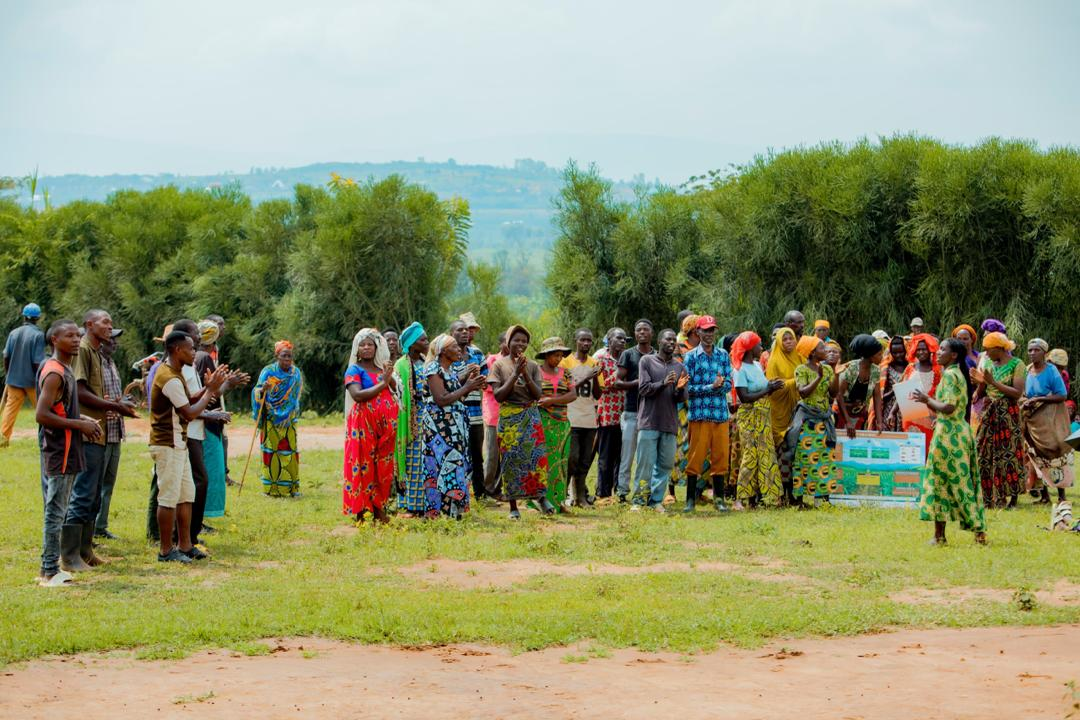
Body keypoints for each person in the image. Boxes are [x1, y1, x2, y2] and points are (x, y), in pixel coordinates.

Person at [66, 310, 138, 568]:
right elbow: (80, 391)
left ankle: (85, 551)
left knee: (94, 495)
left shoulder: (96, 352)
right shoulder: (84, 350)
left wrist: (116, 403)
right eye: (105, 322)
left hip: (100, 432)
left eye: (111, 322)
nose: (110, 326)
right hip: (87, 432)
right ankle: (70, 556)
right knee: (83, 493)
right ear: (89, 324)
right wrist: (115, 407)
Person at [150, 330, 228, 563]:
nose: (195, 352)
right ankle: (166, 550)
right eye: (191, 348)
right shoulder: (169, 378)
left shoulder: (175, 373)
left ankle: (185, 545)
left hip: (178, 442)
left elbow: (187, 400)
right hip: (167, 443)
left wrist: (207, 387)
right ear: (177, 350)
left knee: (186, 495)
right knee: (168, 497)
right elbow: (189, 413)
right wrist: (210, 391)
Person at [36, 319, 101, 585]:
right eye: (70, 336)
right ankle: (49, 569)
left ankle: (49, 567)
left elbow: (60, 409)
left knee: (58, 509)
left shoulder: (65, 369)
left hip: (66, 448)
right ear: (55, 340)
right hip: (59, 449)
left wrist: (82, 418)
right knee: (56, 510)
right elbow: (42, 414)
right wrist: (79, 425)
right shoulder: (54, 372)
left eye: (78, 335)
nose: (76, 340)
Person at [913, 338, 987, 546]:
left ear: (953, 355)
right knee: (953, 483)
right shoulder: (957, 373)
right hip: (953, 431)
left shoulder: (950, 375)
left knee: (950, 484)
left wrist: (926, 399)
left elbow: (949, 407)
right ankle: (944, 535)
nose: (938, 352)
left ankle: (954, 534)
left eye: (942, 349)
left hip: (950, 438)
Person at [489, 324, 554, 519]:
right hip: (509, 418)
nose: (520, 344)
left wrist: (525, 373)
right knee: (510, 460)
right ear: (508, 342)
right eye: (516, 340)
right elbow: (499, 395)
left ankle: (540, 497)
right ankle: (513, 506)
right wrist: (515, 373)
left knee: (537, 458)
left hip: (530, 415)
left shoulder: (532, 366)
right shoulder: (499, 365)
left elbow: (537, 395)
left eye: (524, 341)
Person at [422, 334, 484, 519]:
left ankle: (453, 510)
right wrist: (467, 387)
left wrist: (471, 385)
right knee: (442, 465)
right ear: (443, 351)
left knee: (455, 464)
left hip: (454, 427)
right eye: (455, 347)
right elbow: (441, 399)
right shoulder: (433, 368)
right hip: (439, 429)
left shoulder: (449, 371)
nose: (459, 350)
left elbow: (456, 398)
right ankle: (439, 512)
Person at [193, 320, 245, 529]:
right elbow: (211, 394)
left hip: (203, 419)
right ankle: (199, 520)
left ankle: (197, 520)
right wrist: (228, 383)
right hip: (207, 423)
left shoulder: (197, 357)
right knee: (207, 474)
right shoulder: (204, 358)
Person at [343, 329, 399, 523]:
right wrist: (383, 383)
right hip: (363, 425)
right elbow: (357, 395)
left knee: (383, 467)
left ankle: (379, 508)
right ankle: (362, 511)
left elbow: (395, 389)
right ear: (357, 348)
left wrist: (389, 376)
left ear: (377, 347)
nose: (366, 348)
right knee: (363, 464)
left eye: (370, 344)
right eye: (362, 345)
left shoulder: (382, 369)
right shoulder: (354, 370)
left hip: (385, 427)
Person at [631, 329, 687, 511]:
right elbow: (644, 389)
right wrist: (663, 383)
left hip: (669, 423)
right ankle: (639, 501)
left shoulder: (680, 367)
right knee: (645, 464)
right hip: (649, 421)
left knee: (665, 465)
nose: (671, 343)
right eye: (668, 339)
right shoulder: (647, 361)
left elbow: (681, 398)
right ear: (660, 341)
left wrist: (679, 389)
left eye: (674, 340)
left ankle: (655, 501)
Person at [682, 315, 733, 512]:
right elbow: (688, 388)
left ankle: (719, 499)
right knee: (696, 456)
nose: (709, 334)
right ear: (698, 332)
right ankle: (690, 500)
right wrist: (711, 386)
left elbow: (729, 383)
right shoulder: (691, 357)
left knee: (721, 456)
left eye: (712, 330)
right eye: (705, 330)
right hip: (700, 414)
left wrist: (720, 386)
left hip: (720, 414)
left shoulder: (723, 355)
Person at [731, 331, 784, 510]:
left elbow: (761, 388)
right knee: (750, 455)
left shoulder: (756, 365)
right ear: (749, 347)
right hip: (749, 416)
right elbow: (744, 397)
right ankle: (742, 497)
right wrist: (768, 389)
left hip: (763, 414)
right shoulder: (739, 369)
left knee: (767, 454)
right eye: (758, 345)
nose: (761, 348)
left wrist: (771, 386)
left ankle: (770, 498)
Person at [971, 331, 1025, 509]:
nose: (985, 353)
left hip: (1009, 413)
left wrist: (993, 382)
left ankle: (1013, 498)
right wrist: (978, 388)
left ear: (999, 348)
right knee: (984, 453)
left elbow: (1017, 393)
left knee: (1010, 454)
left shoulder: (1017, 364)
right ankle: (990, 496)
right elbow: (984, 387)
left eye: (988, 349)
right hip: (990, 412)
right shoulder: (987, 363)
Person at [1021, 338, 1072, 504]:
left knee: (1055, 452)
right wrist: (1026, 401)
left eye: (1036, 350)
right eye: (1030, 350)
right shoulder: (1027, 370)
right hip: (1033, 419)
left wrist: (1039, 399)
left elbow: (1062, 395)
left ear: (1044, 353)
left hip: (1051, 417)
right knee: (1037, 455)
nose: (1032, 353)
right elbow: (1023, 392)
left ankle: (1062, 495)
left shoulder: (1051, 371)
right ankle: (1045, 495)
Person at [789, 338, 839, 505]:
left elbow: (833, 394)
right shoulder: (801, 370)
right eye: (821, 348)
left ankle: (823, 499)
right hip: (807, 421)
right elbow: (803, 393)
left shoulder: (827, 369)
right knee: (804, 459)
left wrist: (835, 373)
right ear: (812, 352)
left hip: (823, 420)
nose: (826, 349)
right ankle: (800, 499)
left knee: (825, 460)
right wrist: (818, 377)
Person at [252, 341, 303, 497]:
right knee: (271, 452)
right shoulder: (268, 371)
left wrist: (288, 412)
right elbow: (257, 391)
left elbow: (295, 396)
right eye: (284, 356)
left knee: (290, 452)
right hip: (271, 418)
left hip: (288, 419)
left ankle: (291, 488)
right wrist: (263, 389)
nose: (287, 359)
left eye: (290, 356)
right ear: (277, 356)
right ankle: (271, 489)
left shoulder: (295, 373)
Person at [560, 329, 604, 507]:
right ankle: (562, 494)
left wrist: (596, 377)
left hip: (589, 418)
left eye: (589, 341)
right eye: (583, 340)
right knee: (571, 458)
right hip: (571, 416)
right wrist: (586, 377)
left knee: (585, 460)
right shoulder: (565, 362)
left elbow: (598, 394)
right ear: (576, 341)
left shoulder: (594, 363)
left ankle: (580, 497)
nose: (586, 343)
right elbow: (564, 389)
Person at [92, 328, 127, 540]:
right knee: (96, 482)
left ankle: (100, 525)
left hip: (116, 430)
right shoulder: (95, 362)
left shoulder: (111, 363)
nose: (114, 343)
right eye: (111, 339)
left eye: (115, 340)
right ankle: (90, 527)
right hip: (101, 430)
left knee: (108, 483)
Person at [614, 320, 654, 502]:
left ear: (652, 333)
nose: (642, 332)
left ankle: (643, 491)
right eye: (638, 330)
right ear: (635, 334)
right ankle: (622, 492)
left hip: (651, 413)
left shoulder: (656, 356)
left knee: (646, 457)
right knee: (627, 455)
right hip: (631, 411)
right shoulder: (628, 355)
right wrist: (636, 383)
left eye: (645, 329)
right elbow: (617, 382)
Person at [393, 323, 430, 516]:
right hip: (409, 418)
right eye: (423, 339)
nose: (427, 342)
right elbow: (398, 395)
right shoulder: (401, 365)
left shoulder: (426, 362)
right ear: (412, 344)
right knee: (411, 460)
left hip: (427, 418)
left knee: (424, 462)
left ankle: (423, 503)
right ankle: (410, 504)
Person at [450, 315, 488, 501]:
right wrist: (466, 375)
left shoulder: (477, 354)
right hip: (454, 414)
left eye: (466, 330)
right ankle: (459, 494)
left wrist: (480, 378)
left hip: (475, 414)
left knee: (477, 455)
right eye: (460, 330)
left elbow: (486, 383)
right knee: (457, 454)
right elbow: (448, 385)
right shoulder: (447, 355)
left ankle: (480, 495)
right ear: (451, 334)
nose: (465, 332)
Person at [536, 337, 576, 511]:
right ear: (546, 355)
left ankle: (559, 500)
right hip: (541, 421)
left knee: (560, 461)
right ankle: (540, 500)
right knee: (542, 460)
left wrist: (551, 400)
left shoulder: (565, 373)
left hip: (561, 423)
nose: (559, 359)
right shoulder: (536, 372)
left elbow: (573, 395)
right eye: (555, 355)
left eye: (561, 355)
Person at [765, 327, 802, 503]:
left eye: (791, 338)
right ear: (779, 342)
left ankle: (794, 493)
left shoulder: (799, 358)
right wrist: (796, 381)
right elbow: (774, 389)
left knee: (795, 452)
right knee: (782, 452)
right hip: (779, 412)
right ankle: (781, 494)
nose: (788, 342)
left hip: (795, 410)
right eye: (785, 339)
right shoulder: (774, 361)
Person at [2, 302, 46, 447]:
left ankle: (3, 439)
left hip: (14, 379)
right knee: (43, 410)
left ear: (24, 317)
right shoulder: (38, 335)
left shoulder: (13, 333)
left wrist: (9, 375)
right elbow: (37, 362)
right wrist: (41, 380)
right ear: (38, 318)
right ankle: (48, 437)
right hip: (32, 381)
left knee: (10, 410)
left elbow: (6, 356)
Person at [594, 327, 627, 502]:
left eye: (624, 339)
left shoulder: (627, 358)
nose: (622, 341)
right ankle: (603, 493)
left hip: (625, 413)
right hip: (607, 413)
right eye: (619, 338)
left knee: (621, 457)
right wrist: (618, 376)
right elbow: (601, 386)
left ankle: (619, 492)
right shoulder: (601, 359)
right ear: (609, 340)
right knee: (605, 457)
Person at [836, 334, 885, 436]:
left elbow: (877, 396)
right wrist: (847, 421)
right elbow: (839, 395)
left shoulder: (876, 371)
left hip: (859, 415)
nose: (882, 357)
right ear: (871, 356)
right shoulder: (851, 368)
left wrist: (879, 421)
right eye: (879, 354)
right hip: (841, 414)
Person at [901, 333, 941, 447]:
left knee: (929, 447)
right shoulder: (910, 368)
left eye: (924, 349)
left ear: (930, 350)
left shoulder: (937, 370)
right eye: (918, 349)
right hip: (911, 416)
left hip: (931, 417)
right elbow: (902, 389)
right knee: (911, 450)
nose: (921, 352)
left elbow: (941, 396)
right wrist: (892, 412)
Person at [481, 333, 508, 498]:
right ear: (501, 344)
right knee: (492, 453)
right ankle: (486, 488)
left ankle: (496, 489)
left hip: (509, 411)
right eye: (507, 341)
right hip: (493, 411)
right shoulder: (492, 360)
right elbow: (487, 385)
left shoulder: (517, 362)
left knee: (505, 454)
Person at [878, 336, 909, 432]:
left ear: (906, 350)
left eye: (901, 352)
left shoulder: (911, 367)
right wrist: (894, 391)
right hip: (888, 411)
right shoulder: (885, 369)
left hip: (908, 409)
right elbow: (879, 397)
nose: (898, 355)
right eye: (894, 353)